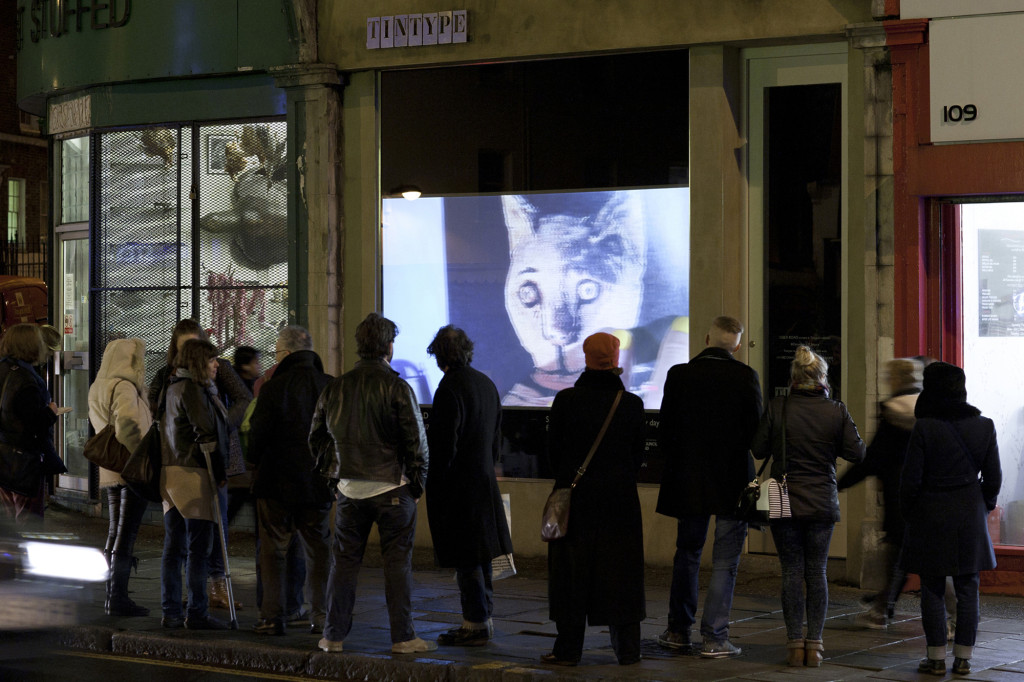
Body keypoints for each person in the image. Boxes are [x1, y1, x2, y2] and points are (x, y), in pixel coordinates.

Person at [310, 312, 434, 654]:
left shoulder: (336, 386)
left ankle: (332, 636)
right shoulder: (396, 386)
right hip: (392, 488)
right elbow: (417, 442)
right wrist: (415, 485)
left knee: (344, 563)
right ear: (388, 346)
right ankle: (403, 637)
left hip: (349, 489)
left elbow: (316, 437)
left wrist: (333, 477)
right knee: (397, 564)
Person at [655, 316, 763, 657]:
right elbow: (756, 438)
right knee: (725, 562)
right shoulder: (746, 377)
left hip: (688, 480)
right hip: (732, 480)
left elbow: (665, 431)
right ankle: (715, 637)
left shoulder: (679, 374)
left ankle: (677, 630)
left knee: (687, 554)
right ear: (737, 345)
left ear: (705, 338)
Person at [750, 345, 865, 667]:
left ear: (794, 377)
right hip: (821, 498)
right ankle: (814, 645)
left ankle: (793, 643)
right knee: (817, 571)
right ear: (823, 378)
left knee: (791, 570)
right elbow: (858, 454)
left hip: (783, 496)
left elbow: (758, 449)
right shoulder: (836, 410)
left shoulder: (778, 407)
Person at [543, 332, 646, 666]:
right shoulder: (631, 405)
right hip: (619, 504)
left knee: (571, 575)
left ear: (584, 357)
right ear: (615, 359)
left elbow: (552, 455)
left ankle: (568, 649)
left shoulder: (565, 401)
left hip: (576, 503)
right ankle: (628, 650)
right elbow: (637, 456)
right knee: (622, 575)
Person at [901, 362, 1001, 677]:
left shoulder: (925, 427)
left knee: (931, 586)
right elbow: (994, 478)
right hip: (969, 513)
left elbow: (911, 479)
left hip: (931, 513)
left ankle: (935, 659)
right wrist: (983, 505)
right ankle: (963, 659)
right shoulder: (984, 425)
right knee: (968, 586)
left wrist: (911, 512)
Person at [150, 318, 251, 610]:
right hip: (193, 465)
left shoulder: (214, 372)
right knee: (193, 540)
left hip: (203, 460)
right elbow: (164, 410)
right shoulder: (179, 381)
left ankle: (210, 588)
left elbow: (243, 398)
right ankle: (194, 602)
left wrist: (225, 423)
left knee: (208, 531)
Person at [425, 325, 513, 647]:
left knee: (467, 558)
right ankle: (483, 618)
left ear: (439, 356)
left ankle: (474, 624)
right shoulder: (486, 384)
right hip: (484, 483)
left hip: (459, 488)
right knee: (483, 555)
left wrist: (435, 486)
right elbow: (495, 443)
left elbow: (443, 446)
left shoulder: (449, 388)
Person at [248, 326, 332, 636]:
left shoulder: (273, 388)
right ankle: (322, 617)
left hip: (276, 483)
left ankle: (272, 616)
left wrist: (254, 461)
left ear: (284, 354)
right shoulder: (329, 386)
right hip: (318, 484)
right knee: (319, 551)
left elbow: (257, 439)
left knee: (274, 551)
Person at [838, 357, 922, 629]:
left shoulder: (891, 411)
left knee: (897, 551)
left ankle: (882, 608)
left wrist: (839, 483)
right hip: (925, 490)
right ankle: (884, 604)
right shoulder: (928, 409)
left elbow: (873, 458)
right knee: (912, 551)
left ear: (895, 379)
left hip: (897, 492)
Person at [159, 338, 230, 630]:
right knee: (198, 548)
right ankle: (197, 612)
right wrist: (221, 472)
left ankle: (171, 610)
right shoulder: (193, 391)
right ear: (200, 362)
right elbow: (207, 435)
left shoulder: (172, 386)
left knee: (174, 546)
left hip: (170, 472)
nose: (217, 365)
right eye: (212, 360)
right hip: (193, 475)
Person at [88, 338, 153, 617]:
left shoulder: (99, 385)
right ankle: (118, 597)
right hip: (130, 467)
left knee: (115, 529)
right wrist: (140, 450)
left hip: (110, 467)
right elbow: (127, 423)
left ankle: (110, 593)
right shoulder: (124, 386)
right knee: (126, 533)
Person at [0, 324, 65, 525]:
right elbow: (31, 425)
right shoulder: (27, 379)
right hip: (24, 463)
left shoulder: (3, 369)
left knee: (8, 525)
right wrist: (50, 412)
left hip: (3, 458)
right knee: (28, 524)